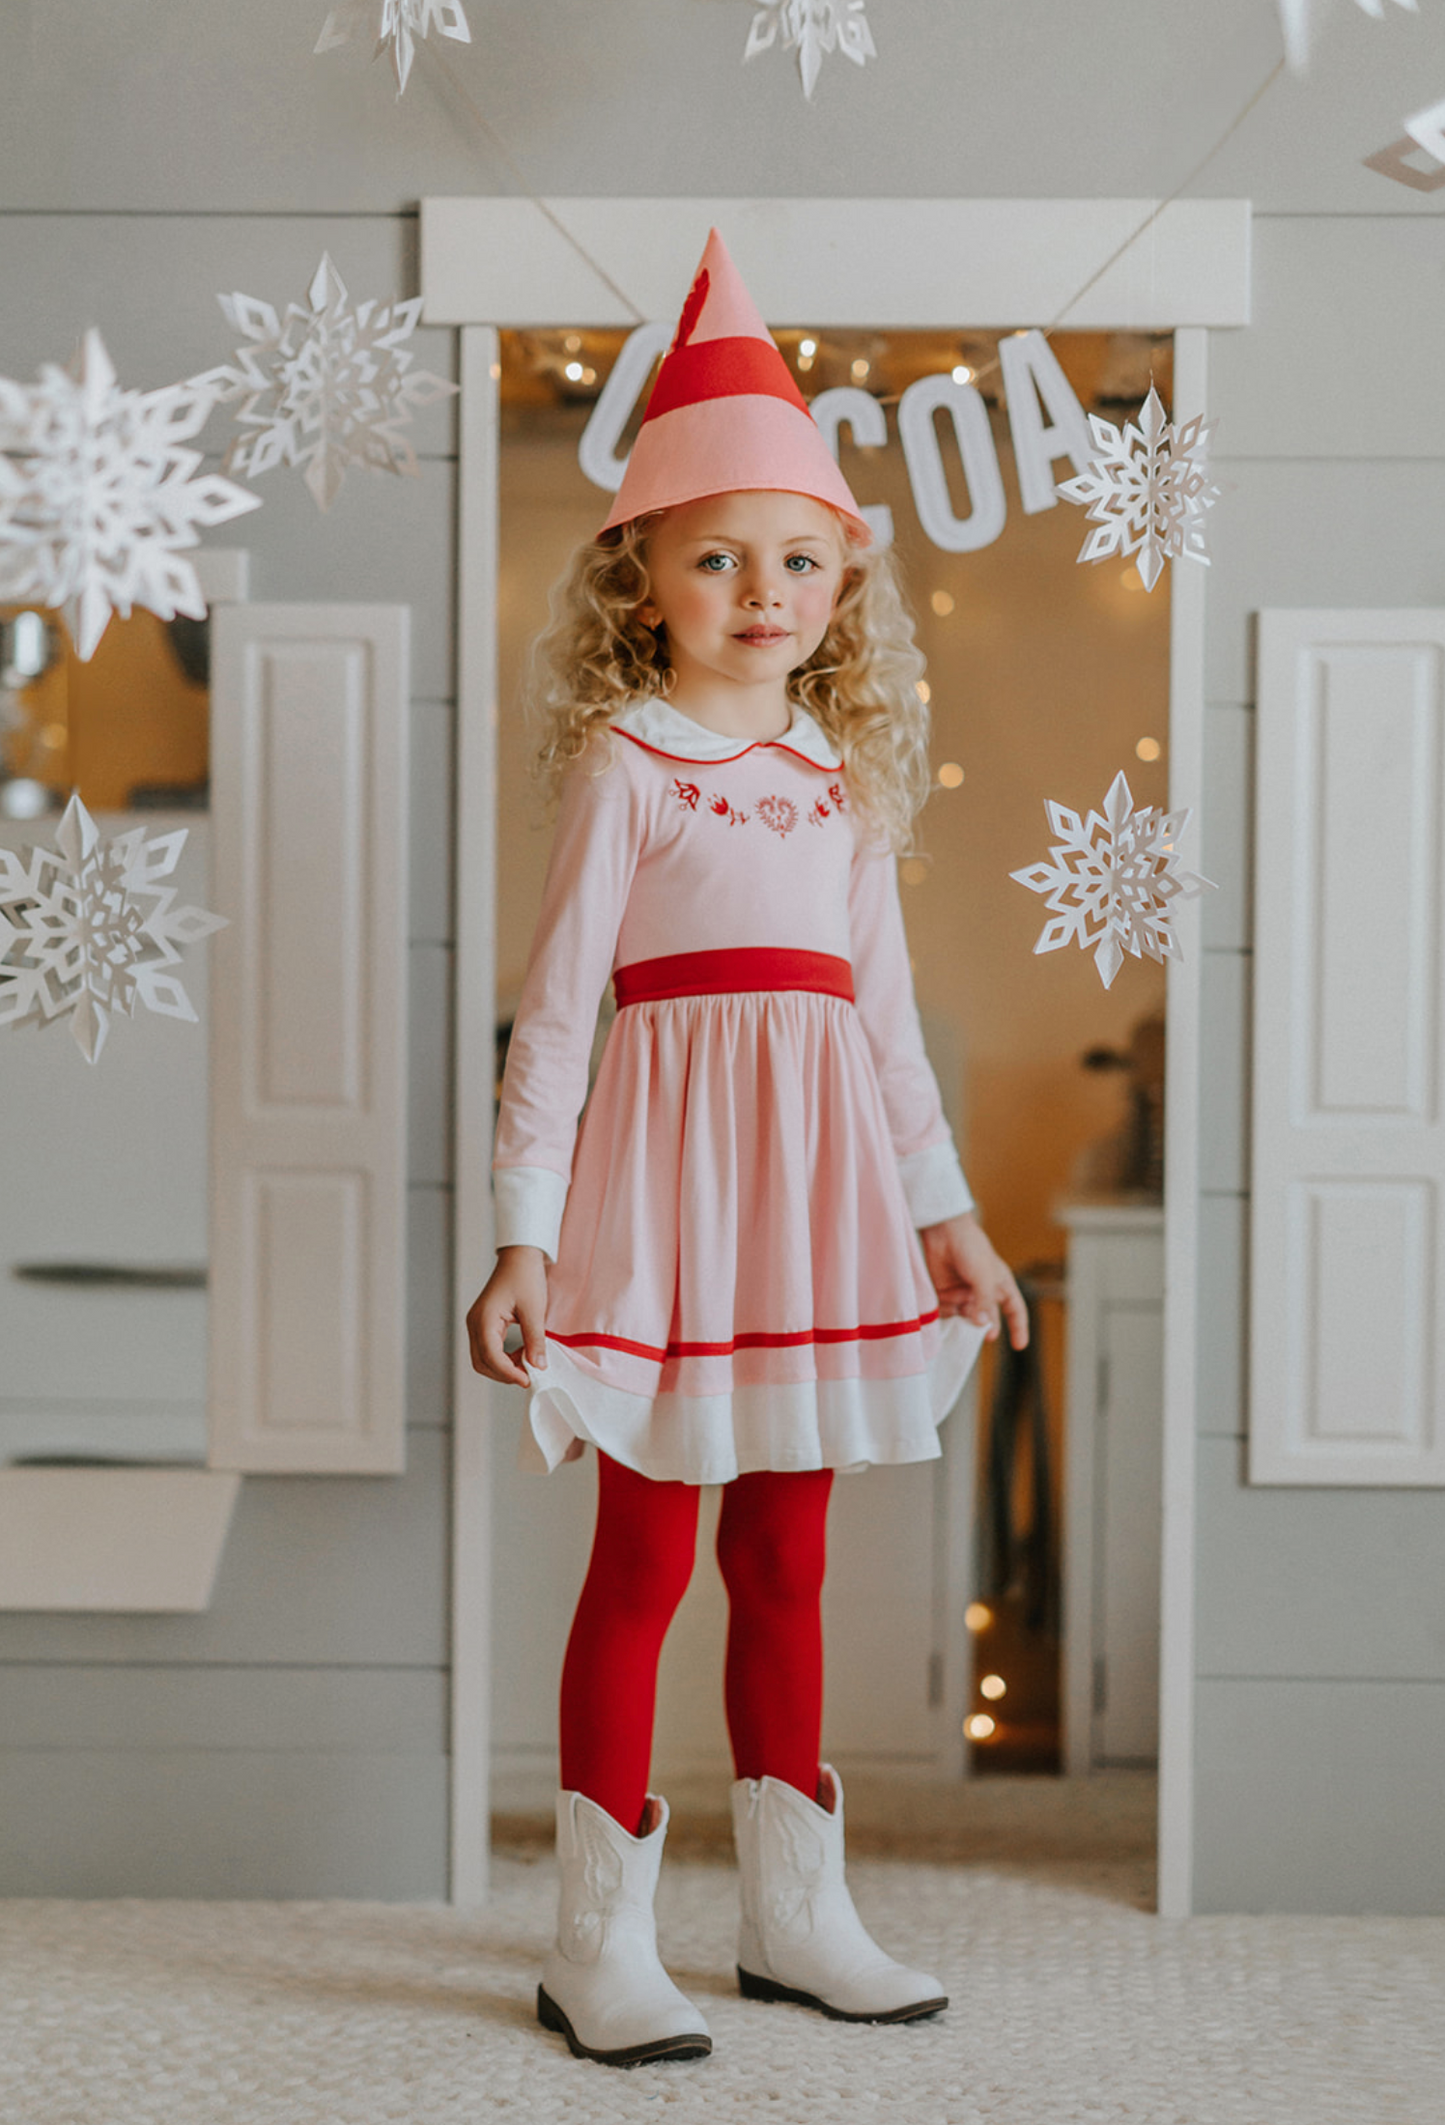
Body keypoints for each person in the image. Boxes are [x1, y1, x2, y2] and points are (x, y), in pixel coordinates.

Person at [467, 229, 1028, 2069]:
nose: (762, 588)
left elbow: (878, 1030)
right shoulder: (627, 766)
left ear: (841, 587)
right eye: (719, 556)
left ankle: (796, 1916)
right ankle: (596, 1944)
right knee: (643, 1556)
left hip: (818, 1216)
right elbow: (561, 1018)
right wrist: (525, 1235)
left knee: (785, 1556)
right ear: (647, 577)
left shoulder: (843, 785)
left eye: (798, 559)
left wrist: (943, 1221)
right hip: (657, 1209)